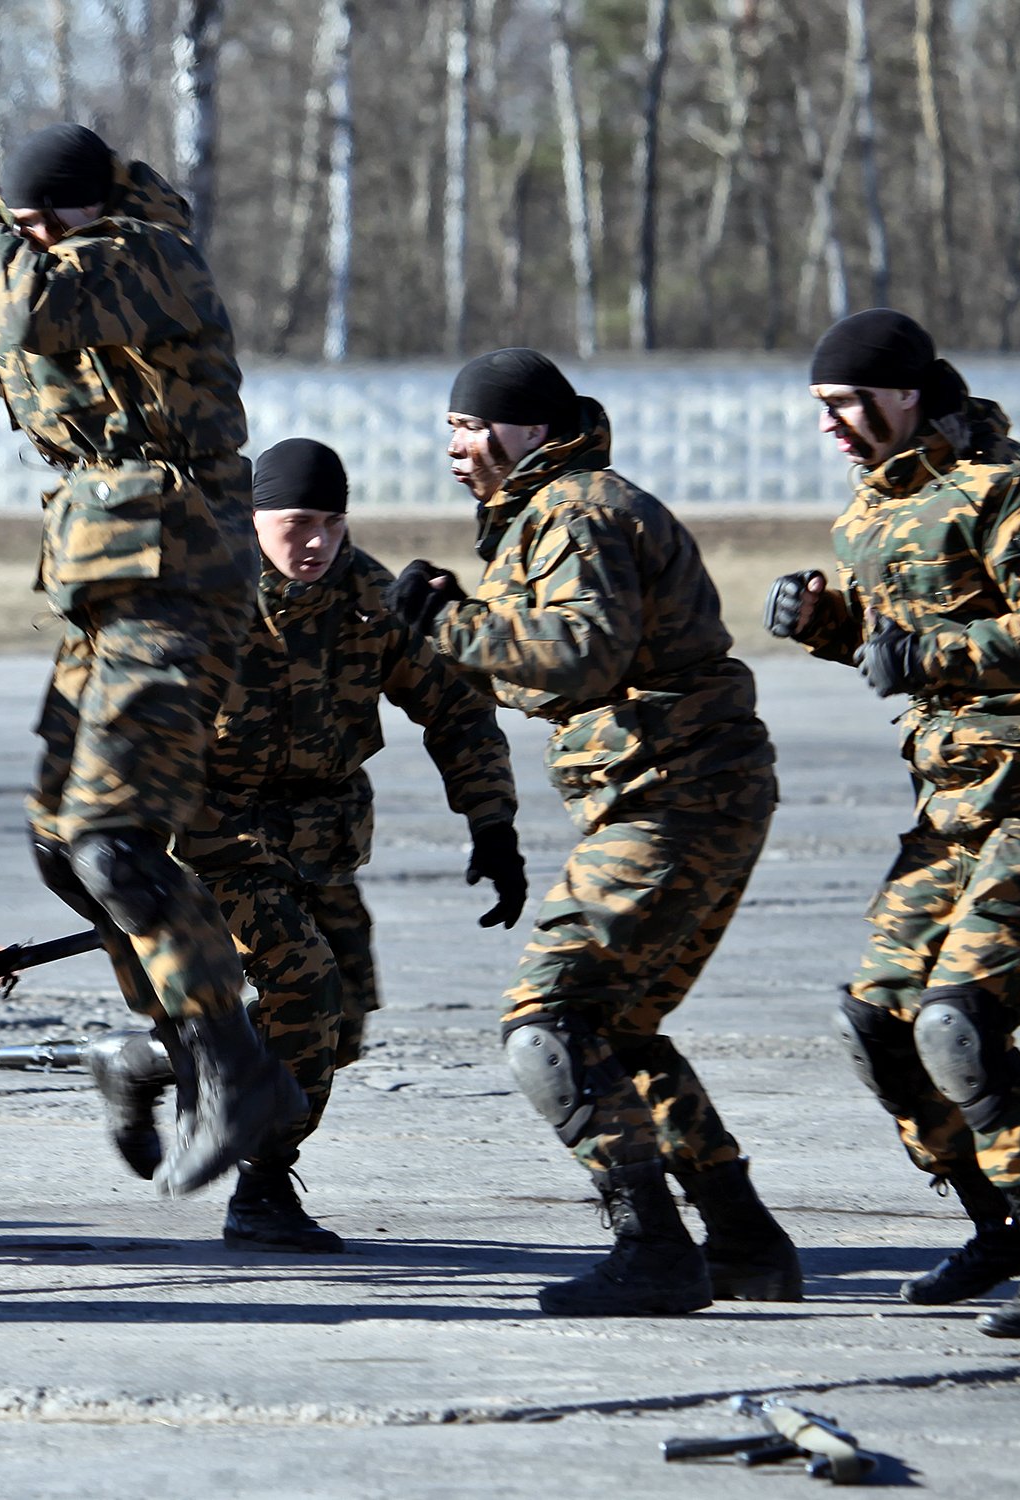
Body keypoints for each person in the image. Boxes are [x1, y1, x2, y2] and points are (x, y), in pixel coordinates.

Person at [0, 121, 295, 1196]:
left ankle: (236, 1069)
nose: (33, 240)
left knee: (117, 846)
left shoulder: (147, 253)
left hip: (181, 573)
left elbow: (34, 301)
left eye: (50, 220)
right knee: (58, 845)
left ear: (97, 204)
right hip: (101, 588)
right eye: (21, 224)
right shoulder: (38, 258)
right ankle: (178, 1044)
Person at [387, 348, 799, 1315]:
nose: (458, 446)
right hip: (686, 787)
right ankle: (743, 1242)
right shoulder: (555, 510)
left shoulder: (578, 510)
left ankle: (653, 1247)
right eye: (451, 427)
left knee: (548, 1020)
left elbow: (580, 651)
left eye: (476, 426)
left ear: (533, 429)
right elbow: (552, 659)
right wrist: (455, 619)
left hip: (676, 792)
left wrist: (450, 628)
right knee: (615, 1023)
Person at [89, 438, 526, 1249]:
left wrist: (492, 824)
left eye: (332, 521)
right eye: (296, 523)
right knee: (307, 993)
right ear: (253, 520)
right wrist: (115, 852)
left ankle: (147, 1060)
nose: (316, 541)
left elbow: (457, 708)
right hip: (215, 843)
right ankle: (260, 1192)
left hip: (323, 845)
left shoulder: (368, 598)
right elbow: (124, 727)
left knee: (345, 1023)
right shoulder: (203, 602)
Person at [767, 309, 1020, 1338]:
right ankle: (992, 1222)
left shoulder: (1007, 490)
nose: (831, 426)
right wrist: (833, 626)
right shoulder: (871, 512)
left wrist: (929, 658)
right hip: (951, 806)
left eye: (845, 404)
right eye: (822, 409)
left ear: (908, 395)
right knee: (877, 1021)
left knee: (956, 1022)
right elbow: (896, 639)